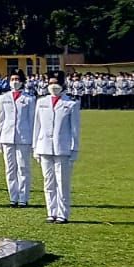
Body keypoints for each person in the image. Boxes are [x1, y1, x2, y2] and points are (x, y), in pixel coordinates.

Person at [34, 74, 81, 224]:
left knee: (62, 182)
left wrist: (74, 149)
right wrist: (35, 147)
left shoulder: (71, 103)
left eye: (56, 83)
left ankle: (62, 213)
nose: (53, 86)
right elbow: (37, 126)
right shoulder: (41, 102)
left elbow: (74, 129)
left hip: (63, 148)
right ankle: (51, 212)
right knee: (48, 181)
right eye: (50, 83)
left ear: (62, 85)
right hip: (44, 147)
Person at [0, 71, 35, 208]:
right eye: (12, 79)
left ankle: (23, 198)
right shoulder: (4, 97)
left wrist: (33, 141)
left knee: (23, 168)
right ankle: (13, 197)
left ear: (22, 81)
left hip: (24, 137)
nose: (15, 81)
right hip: (7, 137)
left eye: (17, 79)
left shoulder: (29, 99)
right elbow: (0, 120)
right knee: (10, 169)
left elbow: (32, 121)